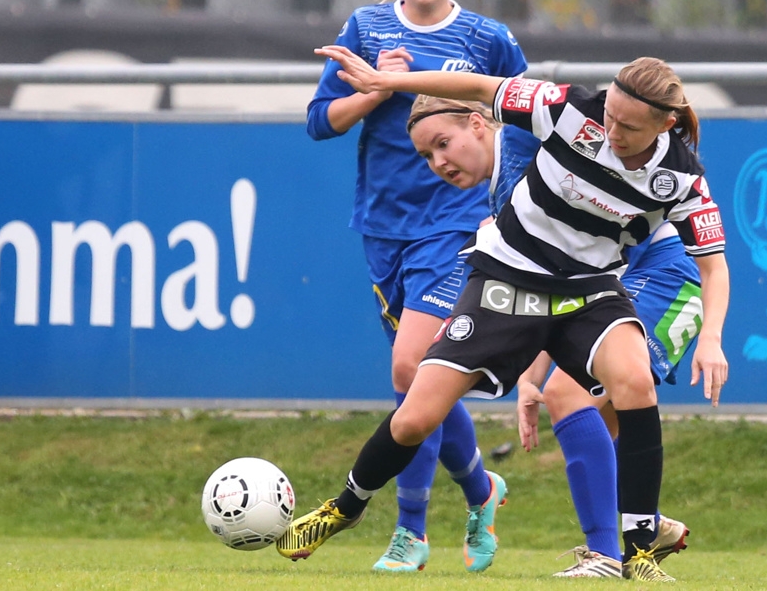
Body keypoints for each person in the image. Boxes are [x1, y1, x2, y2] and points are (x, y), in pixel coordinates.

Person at [280, 45, 730, 583]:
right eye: (609, 115)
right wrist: (385, 82)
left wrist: (712, 339)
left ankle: (636, 550)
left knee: (633, 380)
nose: (611, 132)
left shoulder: (682, 179)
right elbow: (477, 87)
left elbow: (714, 267)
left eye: (628, 128)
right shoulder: (562, 108)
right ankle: (344, 508)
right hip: (506, 279)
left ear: (666, 123)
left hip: (589, 291)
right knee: (416, 416)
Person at [403, 93, 720, 577]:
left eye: (443, 144)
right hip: (612, 286)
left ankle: (606, 556)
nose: (438, 162)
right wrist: (528, 379)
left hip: (667, 279)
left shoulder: (523, 147)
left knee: (568, 396)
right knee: (596, 423)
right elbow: (549, 296)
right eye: (426, 154)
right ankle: (642, 530)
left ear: (480, 124)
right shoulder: (505, 193)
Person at [304, 0, 528, 573]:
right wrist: (378, 89)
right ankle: (482, 489)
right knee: (424, 380)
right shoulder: (365, 30)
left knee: (411, 368)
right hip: (384, 228)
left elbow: (523, 111)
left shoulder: (487, 37)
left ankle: (411, 532)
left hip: (456, 225)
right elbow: (321, 122)